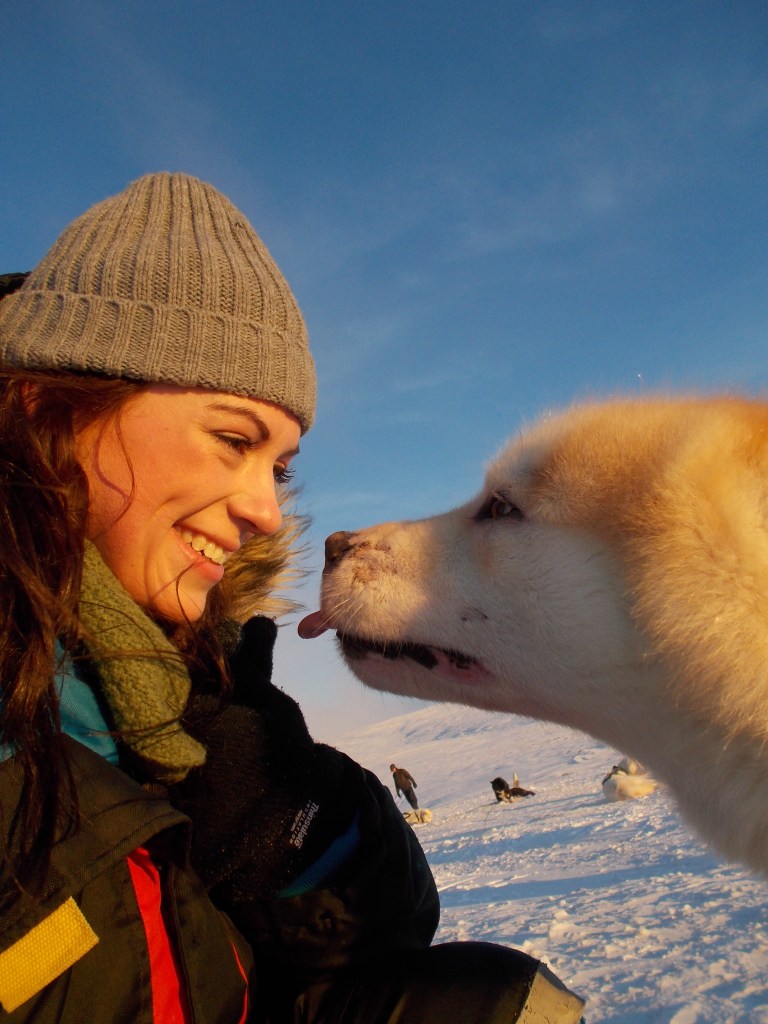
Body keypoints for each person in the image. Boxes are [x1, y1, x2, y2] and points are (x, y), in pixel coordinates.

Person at [0, 173, 586, 1023]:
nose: (266, 510)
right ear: (48, 406)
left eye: (278, 465)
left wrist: (273, 791)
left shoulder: (186, 688)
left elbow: (388, 929)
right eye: (231, 439)